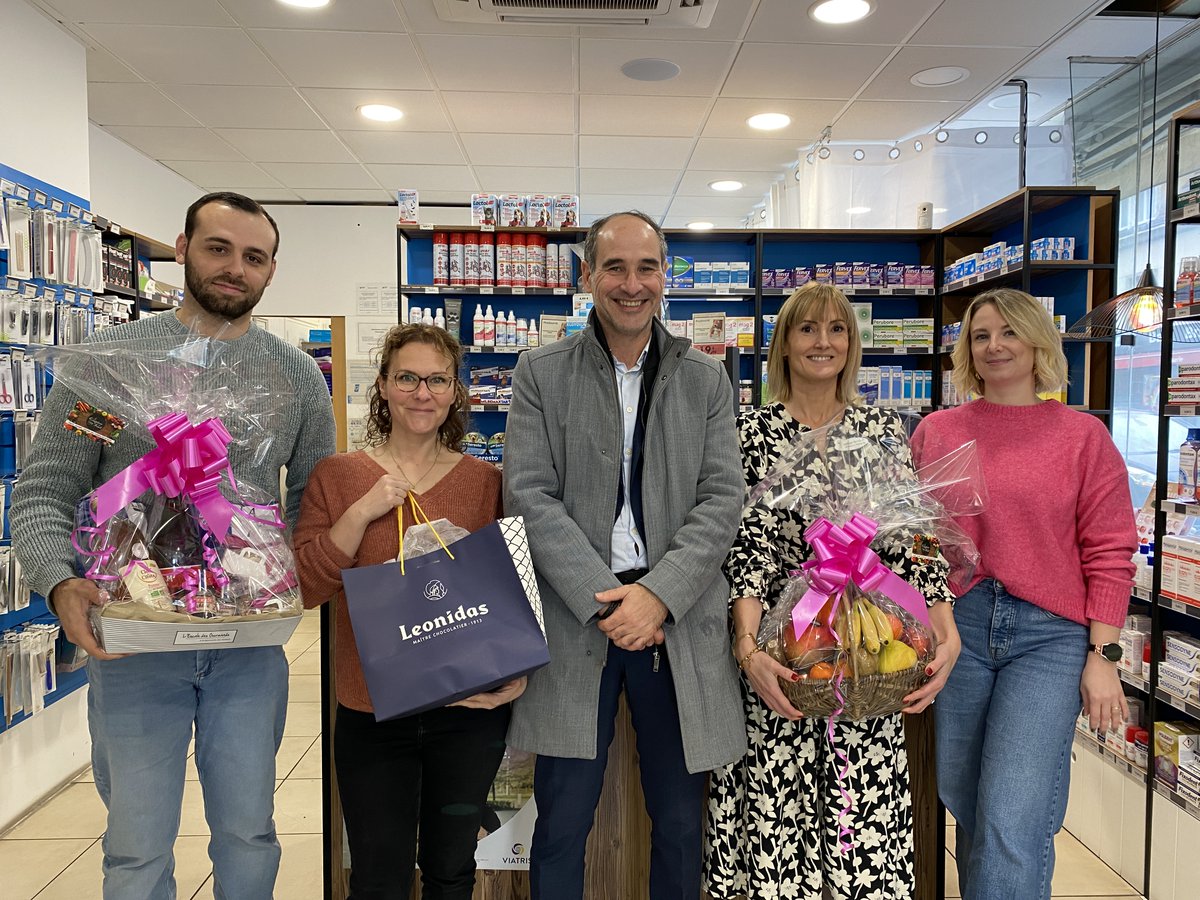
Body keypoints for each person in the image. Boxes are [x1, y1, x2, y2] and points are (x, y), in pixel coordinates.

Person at [11, 191, 336, 899]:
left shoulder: (296, 378)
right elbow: (45, 490)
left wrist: (289, 574)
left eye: (253, 257)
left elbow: (314, 501)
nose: (234, 269)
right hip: (131, 641)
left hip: (249, 647)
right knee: (135, 846)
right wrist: (60, 583)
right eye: (218, 248)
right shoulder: (104, 366)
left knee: (249, 831)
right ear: (182, 248)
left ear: (271, 271)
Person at [503, 210, 746, 899]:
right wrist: (602, 597)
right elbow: (527, 493)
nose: (631, 284)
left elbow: (721, 500)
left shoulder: (704, 379)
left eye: (647, 268)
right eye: (615, 267)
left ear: (665, 277)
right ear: (587, 276)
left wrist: (659, 594)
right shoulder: (541, 371)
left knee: (676, 820)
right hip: (580, 615)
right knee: (562, 821)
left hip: (674, 621)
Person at [704, 283, 960, 900]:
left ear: (853, 344)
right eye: (807, 329)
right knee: (775, 816)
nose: (824, 342)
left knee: (863, 824)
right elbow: (745, 551)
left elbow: (914, 540)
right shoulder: (747, 432)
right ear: (783, 345)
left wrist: (944, 628)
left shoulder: (884, 430)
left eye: (837, 329)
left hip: (873, 657)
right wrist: (749, 648)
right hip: (785, 654)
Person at [910, 288, 1136, 900]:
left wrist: (1104, 656)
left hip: (1049, 636)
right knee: (967, 804)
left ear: (1038, 341)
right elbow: (914, 539)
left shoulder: (1081, 437)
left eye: (1008, 332)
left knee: (1014, 814)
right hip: (956, 630)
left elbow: (1111, 549)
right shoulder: (935, 432)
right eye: (980, 336)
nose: (994, 346)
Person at [293, 323, 525, 900]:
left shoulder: (486, 483)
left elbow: (514, 588)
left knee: (451, 869)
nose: (422, 393)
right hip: (373, 714)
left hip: (466, 712)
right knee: (378, 876)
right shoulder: (339, 475)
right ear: (384, 385)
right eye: (407, 378)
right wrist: (363, 511)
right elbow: (306, 585)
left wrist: (516, 674)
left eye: (437, 380)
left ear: (455, 391)